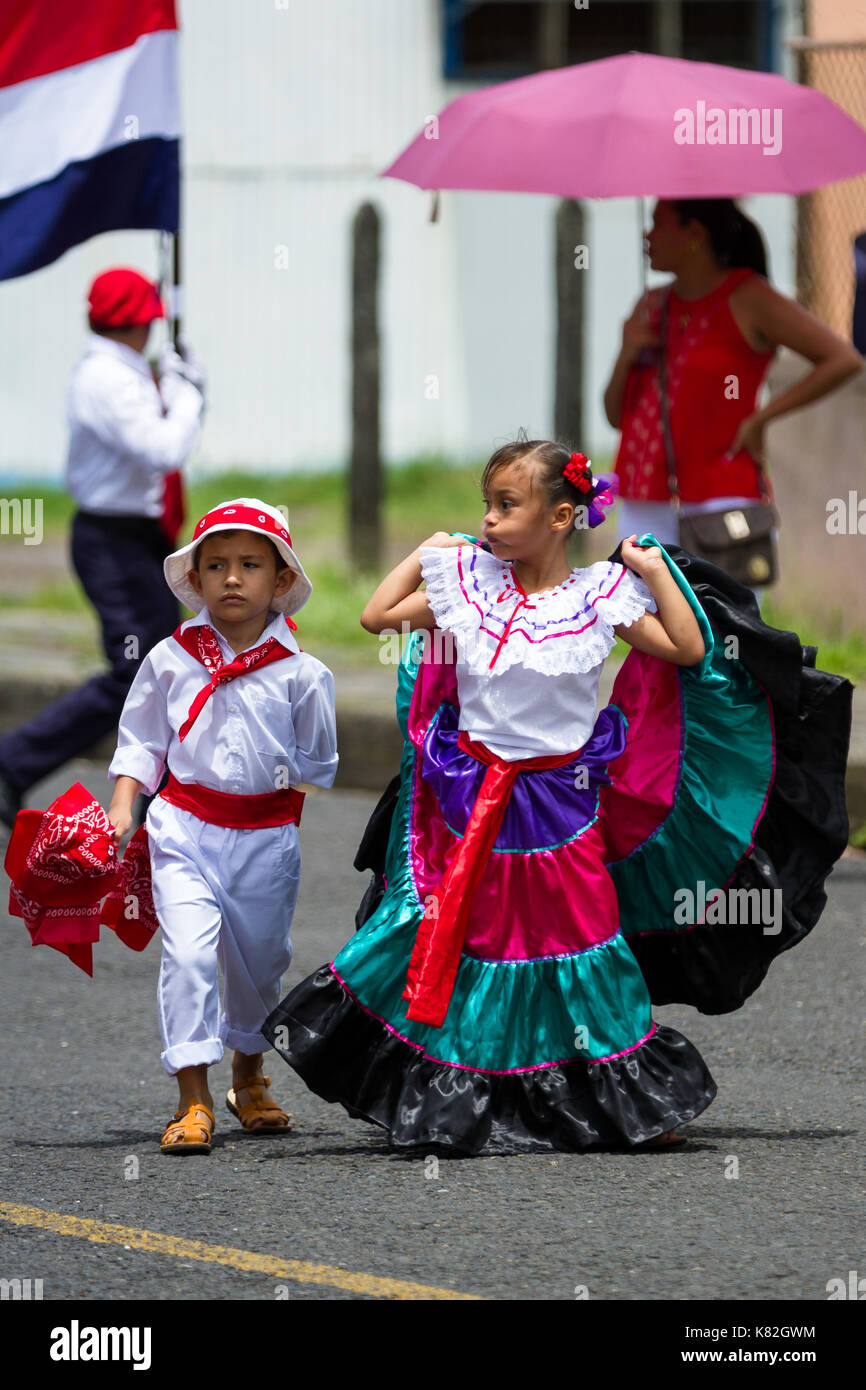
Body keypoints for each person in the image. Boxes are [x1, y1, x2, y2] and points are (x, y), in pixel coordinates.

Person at [263, 437, 850, 1156]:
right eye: (486, 504)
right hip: (473, 798)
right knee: (478, 940)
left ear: (562, 517)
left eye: (507, 506)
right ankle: (455, 1094)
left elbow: (690, 649)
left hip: (564, 802)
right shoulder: (468, 582)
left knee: (582, 939)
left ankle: (632, 1097)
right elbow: (377, 617)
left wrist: (653, 567)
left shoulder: (599, 596)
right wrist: (426, 549)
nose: (489, 520)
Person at [106, 499, 338, 1154]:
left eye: (249, 565)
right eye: (216, 565)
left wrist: (269, 801)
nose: (232, 578)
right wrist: (126, 805)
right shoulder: (170, 658)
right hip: (182, 827)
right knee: (185, 955)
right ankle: (192, 1096)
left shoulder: (304, 675)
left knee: (260, 964)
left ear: (282, 581)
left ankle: (249, 1074)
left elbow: (317, 766)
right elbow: (140, 742)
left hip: (266, 840)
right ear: (197, 580)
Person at [0, 267, 206, 830]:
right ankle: (12, 763)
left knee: (166, 669)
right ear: (141, 322)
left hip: (135, 537)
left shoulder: (124, 370)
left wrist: (173, 383)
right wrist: (189, 394)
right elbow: (163, 448)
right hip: (113, 541)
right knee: (135, 671)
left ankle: (162, 801)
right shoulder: (106, 378)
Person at [604, 198, 862, 549]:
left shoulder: (747, 296)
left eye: (658, 223)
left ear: (694, 233)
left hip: (722, 491)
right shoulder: (651, 305)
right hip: (645, 496)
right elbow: (615, 417)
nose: (646, 236)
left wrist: (762, 419)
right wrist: (626, 351)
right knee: (638, 605)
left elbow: (842, 359)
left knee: (721, 606)